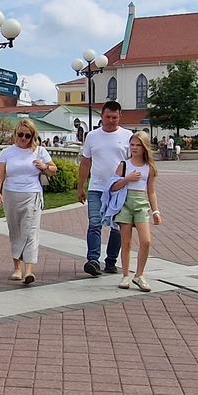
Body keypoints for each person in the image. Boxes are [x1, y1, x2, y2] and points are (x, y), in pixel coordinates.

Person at [0, 117, 54, 287]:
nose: (24, 138)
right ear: (15, 134)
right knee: (16, 232)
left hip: (32, 194)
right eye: (21, 134)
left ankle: (28, 270)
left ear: (33, 136)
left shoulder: (40, 151)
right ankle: (17, 267)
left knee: (30, 231)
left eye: (28, 136)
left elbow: (53, 169)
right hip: (11, 194)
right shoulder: (7, 152)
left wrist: (44, 167)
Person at [77, 100, 131, 276]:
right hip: (97, 187)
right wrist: (80, 186)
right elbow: (85, 162)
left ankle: (111, 260)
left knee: (116, 226)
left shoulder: (128, 136)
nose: (111, 120)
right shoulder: (92, 136)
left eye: (114, 117)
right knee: (94, 223)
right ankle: (93, 260)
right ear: (102, 117)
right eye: (108, 117)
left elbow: (133, 163)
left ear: (120, 117)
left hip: (118, 188)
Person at [108, 130, 163, 291]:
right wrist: (127, 179)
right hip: (125, 203)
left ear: (145, 147)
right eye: (132, 145)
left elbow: (151, 191)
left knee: (146, 241)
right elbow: (113, 187)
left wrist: (156, 211)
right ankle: (125, 275)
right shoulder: (124, 164)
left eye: (138, 145)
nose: (134, 148)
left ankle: (139, 275)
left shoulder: (149, 167)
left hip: (141, 203)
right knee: (126, 242)